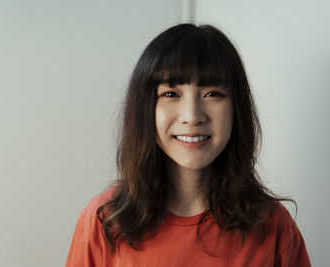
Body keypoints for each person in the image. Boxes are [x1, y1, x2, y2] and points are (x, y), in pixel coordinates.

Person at [66, 23, 311, 266]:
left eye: (212, 93)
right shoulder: (105, 222)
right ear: (145, 108)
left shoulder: (273, 226)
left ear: (237, 108)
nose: (192, 116)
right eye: (171, 94)